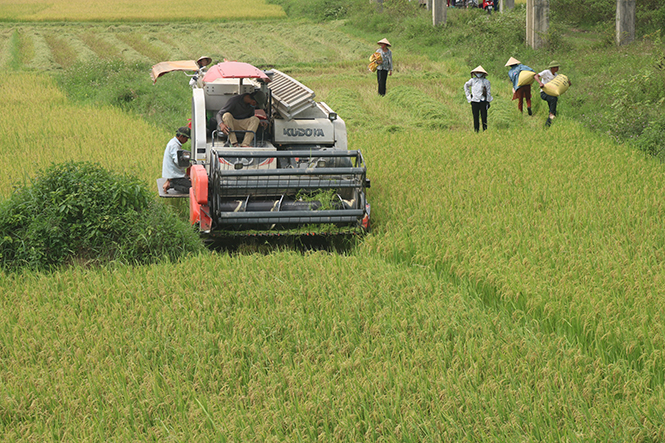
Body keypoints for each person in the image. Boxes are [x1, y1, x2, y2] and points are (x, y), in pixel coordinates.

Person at [534, 60, 572, 127]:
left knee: (553, 108)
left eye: (558, 67)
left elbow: (561, 84)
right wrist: (540, 83)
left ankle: (548, 124)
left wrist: (568, 83)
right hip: (544, 93)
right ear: (552, 68)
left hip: (552, 94)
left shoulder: (557, 76)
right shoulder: (546, 72)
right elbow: (536, 76)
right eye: (556, 67)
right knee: (553, 99)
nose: (557, 68)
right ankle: (551, 115)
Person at [162, 126, 191, 194]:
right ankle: (171, 184)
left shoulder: (174, 143)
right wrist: (189, 164)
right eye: (186, 138)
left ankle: (170, 181)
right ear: (181, 136)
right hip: (175, 176)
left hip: (174, 174)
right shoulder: (174, 145)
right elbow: (178, 161)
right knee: (192, 188)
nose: (186, 140)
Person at [464, 66, 493, 132]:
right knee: (475, 117)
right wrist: (468, 96)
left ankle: (485, 130)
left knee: (484, 117)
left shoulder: (486, 81)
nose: (478, 73)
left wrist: (488, 101)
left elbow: (488, 92)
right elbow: (466, 86)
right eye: (477, 72)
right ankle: (476, 131)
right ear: (474, 73)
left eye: (480, 72)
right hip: (474, 101)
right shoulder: (472, 81)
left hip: (483, 101)